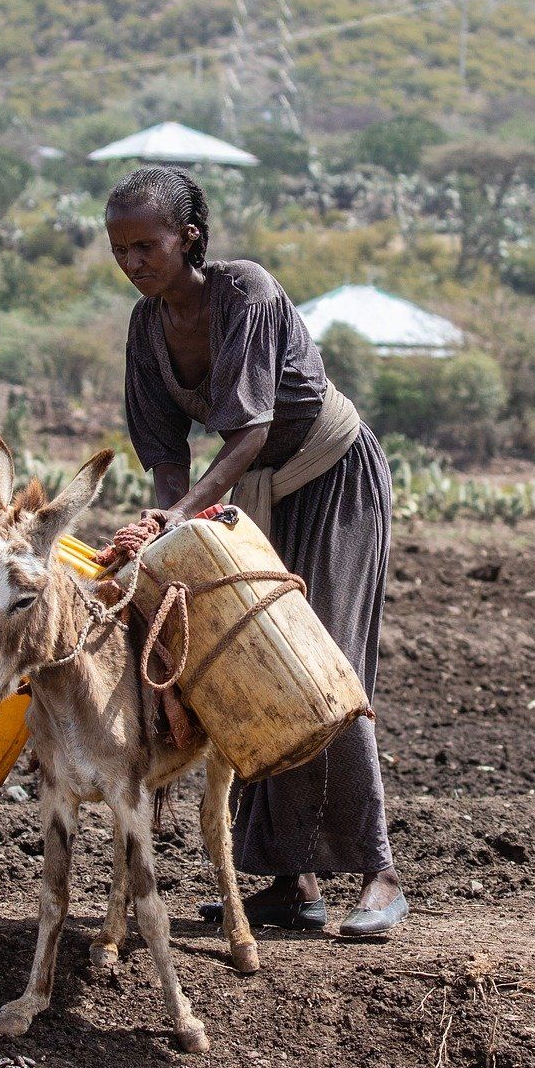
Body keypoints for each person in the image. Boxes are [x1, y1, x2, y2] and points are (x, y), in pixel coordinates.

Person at [99, 165, 408, 937]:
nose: (134, 262)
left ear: (189, 237)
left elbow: (251, 430)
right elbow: (165, 450)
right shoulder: (147, 329)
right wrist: (167, 514)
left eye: (148, 245)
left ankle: (379, 872)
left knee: (318, 661)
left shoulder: (247, 293)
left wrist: (183, 512)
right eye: (120, 249)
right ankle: (290, 878)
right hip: (246, 493)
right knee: (240, 658)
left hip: (329, 477)